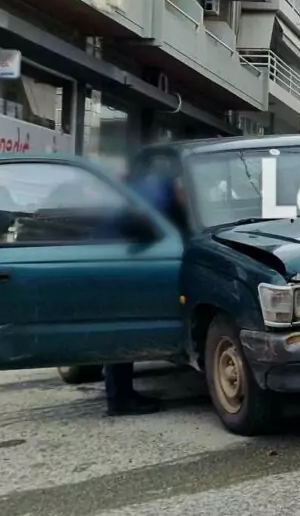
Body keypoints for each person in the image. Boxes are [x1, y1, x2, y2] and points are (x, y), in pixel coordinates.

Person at [102, 171, 187, 416]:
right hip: (119, 268)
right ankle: (119, 399)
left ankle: (119, 394)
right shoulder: (152, 200)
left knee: (120, 331)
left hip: (120, 263)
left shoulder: (152, 194)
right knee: (120, 331)